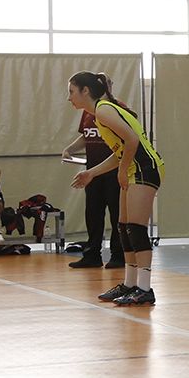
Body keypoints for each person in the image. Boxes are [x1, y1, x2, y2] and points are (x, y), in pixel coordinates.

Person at [68, 72, 162, 306]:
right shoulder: (100, 113)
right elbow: (120, 152)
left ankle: (144, 288)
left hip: (144, 168)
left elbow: (132, 140)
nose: (69, 98)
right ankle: (130, 284)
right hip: (133, 169)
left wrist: (121, 171)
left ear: (85, 91)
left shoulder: (104, 110)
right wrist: (91, 173)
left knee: (136, 228)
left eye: (71, 92)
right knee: (123, 227)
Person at [64, 82, 125, 270]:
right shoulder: (89, 111)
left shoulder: (117, 109)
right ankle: (92, 254)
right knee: (93, 213)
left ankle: (119, 255)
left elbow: (130, 139)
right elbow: (86, 135)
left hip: (113, 171)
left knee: (117, 214)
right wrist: (70, 148)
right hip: (92, 172)